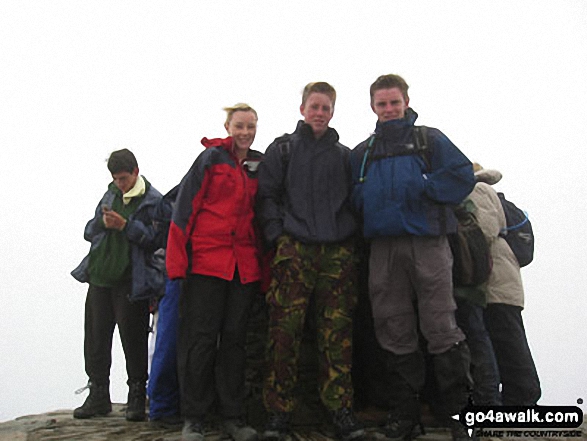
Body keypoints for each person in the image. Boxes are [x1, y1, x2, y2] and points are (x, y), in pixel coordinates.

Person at [350, 74, 476, 441]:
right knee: (393, 330)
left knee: (442, 326)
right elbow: (353, 196)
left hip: (428, 243)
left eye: (394, 102)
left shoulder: (429, 139)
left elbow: (462, 174)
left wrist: (425, 187)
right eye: (381, 104)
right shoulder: (363, 152)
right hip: (383, 248)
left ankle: (459, 416)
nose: (389, 110)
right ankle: (405, 416)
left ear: (406, 102)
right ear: (372, 107)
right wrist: (368, 204)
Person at [257, 82, 364, 441]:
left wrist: (349, 240)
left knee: (337, 335)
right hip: (295, 250)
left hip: (337, 253)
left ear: (333, 111)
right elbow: (267, 196)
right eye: (314, 106)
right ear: (302, 108)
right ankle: (278, 413)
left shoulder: (345, 156)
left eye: (326, 108)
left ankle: (339, 410)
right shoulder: (282, 149)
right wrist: (277, 235)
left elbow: (355, 201)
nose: (320, 113)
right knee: (283, 332)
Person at [166, 103, 263, 441]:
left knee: (235, 342)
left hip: (243, 268)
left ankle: (233, 417)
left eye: (251, 126)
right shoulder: (209, 160)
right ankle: (194, 417)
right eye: (239, 126)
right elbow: (183, 211)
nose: (245, 133)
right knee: (201, 341)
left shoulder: (258, 165)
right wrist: (176, 266)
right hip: (206, 263)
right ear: (227, 125)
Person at [71, 148, 165, 422]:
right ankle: (98, 393)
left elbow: (157, 241)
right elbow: (89, 231)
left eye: (123, 178)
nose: (119, 183)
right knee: (96, 338)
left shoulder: (153, 201)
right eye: (115, 178)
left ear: (136, 172)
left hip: (130, 279)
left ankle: (137, 395)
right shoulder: (110, 193)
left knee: (132, 339)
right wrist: (103, 221)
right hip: (99, 274)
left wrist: (126, 226)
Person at [471, 164, 541, 405]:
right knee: (507, 339)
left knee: (508, 342)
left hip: (496, 283)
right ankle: (519, 397)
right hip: (502, 281)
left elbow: (485, 230)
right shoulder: (487, 192)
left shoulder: (478, 190)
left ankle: (523, 398)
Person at [147, 185, 182, 425]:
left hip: (175, 271)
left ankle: (162, 403)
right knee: (167, 338)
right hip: (176, 271)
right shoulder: (178, 200)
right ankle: (162, 405)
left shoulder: (172, 198)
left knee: (166, 338)